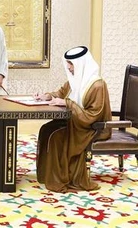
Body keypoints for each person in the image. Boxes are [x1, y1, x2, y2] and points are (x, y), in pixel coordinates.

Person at [33, 45, 112, 192]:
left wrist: (67, 103)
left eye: (71, 64)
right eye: (68, 64)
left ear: (81, 63)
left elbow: (93, 116)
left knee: (55, 136)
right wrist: (48, 96)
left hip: (91, 128)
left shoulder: (97, 85)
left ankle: (61, 178)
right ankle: (47, 175)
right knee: (46, 129)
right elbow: (61, 92)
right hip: (77, 123)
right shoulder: (76, 79)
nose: (68, 68)